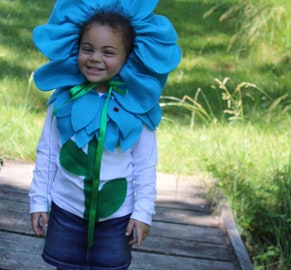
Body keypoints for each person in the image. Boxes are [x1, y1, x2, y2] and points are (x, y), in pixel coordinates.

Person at [29, 0, 181, 269]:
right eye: (87, 49)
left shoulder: (136, 108)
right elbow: (48, 152)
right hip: (65, 211)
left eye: (108, 52)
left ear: (129, 56)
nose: (95, 58)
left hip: (117, 221)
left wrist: (143, 212)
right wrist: (38, 200)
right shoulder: (63, 103)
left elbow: (146, 164)